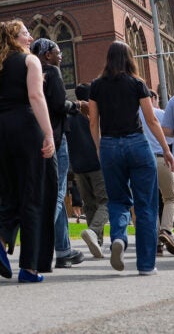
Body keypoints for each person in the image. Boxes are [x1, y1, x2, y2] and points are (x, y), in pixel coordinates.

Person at [0, 20, 56, 283]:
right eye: (25, 33)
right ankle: (29, 268)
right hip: (24, 125)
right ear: (14, 38)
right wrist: (49, 133)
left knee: (9, 193)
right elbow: (36, 97)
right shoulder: (29, 61)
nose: (30, 37)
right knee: (32, 194)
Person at [89, 41, 174, 275]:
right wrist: (166, 150)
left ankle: (119, 238)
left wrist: (99, 147)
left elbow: (93, 121)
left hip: (109, 145)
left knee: (117, 200)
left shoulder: (96, 86)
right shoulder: (137, 83)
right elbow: (151, 120)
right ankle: (146, 265)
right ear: (129, 58)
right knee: (146, 204)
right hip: (137, 144)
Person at [32, 37, 85, 268]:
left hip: (38, 136)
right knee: (57, 191)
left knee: (57, 195)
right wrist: (78, 106)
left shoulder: (32, 74)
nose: (60, 54)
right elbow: (58, 104)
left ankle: (63, 251)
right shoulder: (52, 72)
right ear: (47, 55)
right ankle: (38, 245)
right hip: (55, 136)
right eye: (56, 50)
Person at [68, 83, 109, 258]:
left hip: (78, 166)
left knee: (89, 204)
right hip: (96, 163)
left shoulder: (69, 115)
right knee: (107, 201)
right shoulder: (93, 112)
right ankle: (94, 231)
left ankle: (97, 243)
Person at [138, 89, 174, 255]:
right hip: (162, 158)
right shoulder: (159, 113)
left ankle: (156, 244)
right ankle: (166, 230)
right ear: (151, 98)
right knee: (171, 198)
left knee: (150, 202)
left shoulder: (132, 115)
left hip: (143, 161)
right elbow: (168, 134)